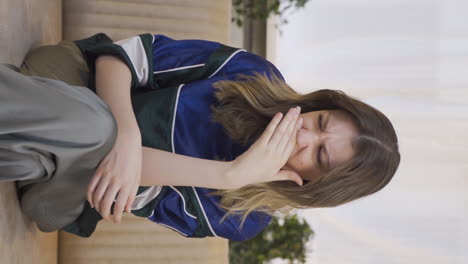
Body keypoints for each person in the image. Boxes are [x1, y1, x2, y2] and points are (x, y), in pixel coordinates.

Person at [1, 33, 400, 241]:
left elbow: (117, 184)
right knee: (52, 148)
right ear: (318, 103)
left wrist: (230, 176)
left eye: (319, 156)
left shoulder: (242, 220)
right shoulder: (251, 73)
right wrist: (125, 135)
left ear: (315, 184)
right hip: (71, 80)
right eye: (320, 122)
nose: (303, 136)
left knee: (92, 131)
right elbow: (117, 60)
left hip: (70, 189)